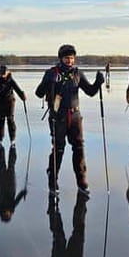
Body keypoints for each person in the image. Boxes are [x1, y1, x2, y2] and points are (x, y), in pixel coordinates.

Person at [34, 44, 104, 196]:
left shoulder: (77, 74)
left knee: (78, 147)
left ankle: (82, 181)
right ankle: (52, 179)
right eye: (67, 58)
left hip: (75, 116)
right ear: (61, 58)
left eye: (72, 58)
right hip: (58, 117)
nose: (70, 61)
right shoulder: (51, 73)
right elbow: (38, 93)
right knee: (59, 148)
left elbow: (90, 92)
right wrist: (47, 83)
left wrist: (98, 83)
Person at [0, 64, 26, 147]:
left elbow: (17, 88)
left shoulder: (10, 79)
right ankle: (0, 139)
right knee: (1, 120)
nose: (3, 76)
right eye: (1, 74)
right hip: (0, 101)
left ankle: (12, 140)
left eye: (4, 74)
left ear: (7, 73)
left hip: (10, 101)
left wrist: (22, 96)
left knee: (10, 119)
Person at [0, 143, 27, 223]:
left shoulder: (0, 206)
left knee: (3, 166)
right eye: (8, 215)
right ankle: (12, 148)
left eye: (6, 215)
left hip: (2, 184)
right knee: (10, 166)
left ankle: (2, 148)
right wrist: (23, 193)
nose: (7, 213)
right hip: (10, 184)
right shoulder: (11, 207)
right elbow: (17, 199)